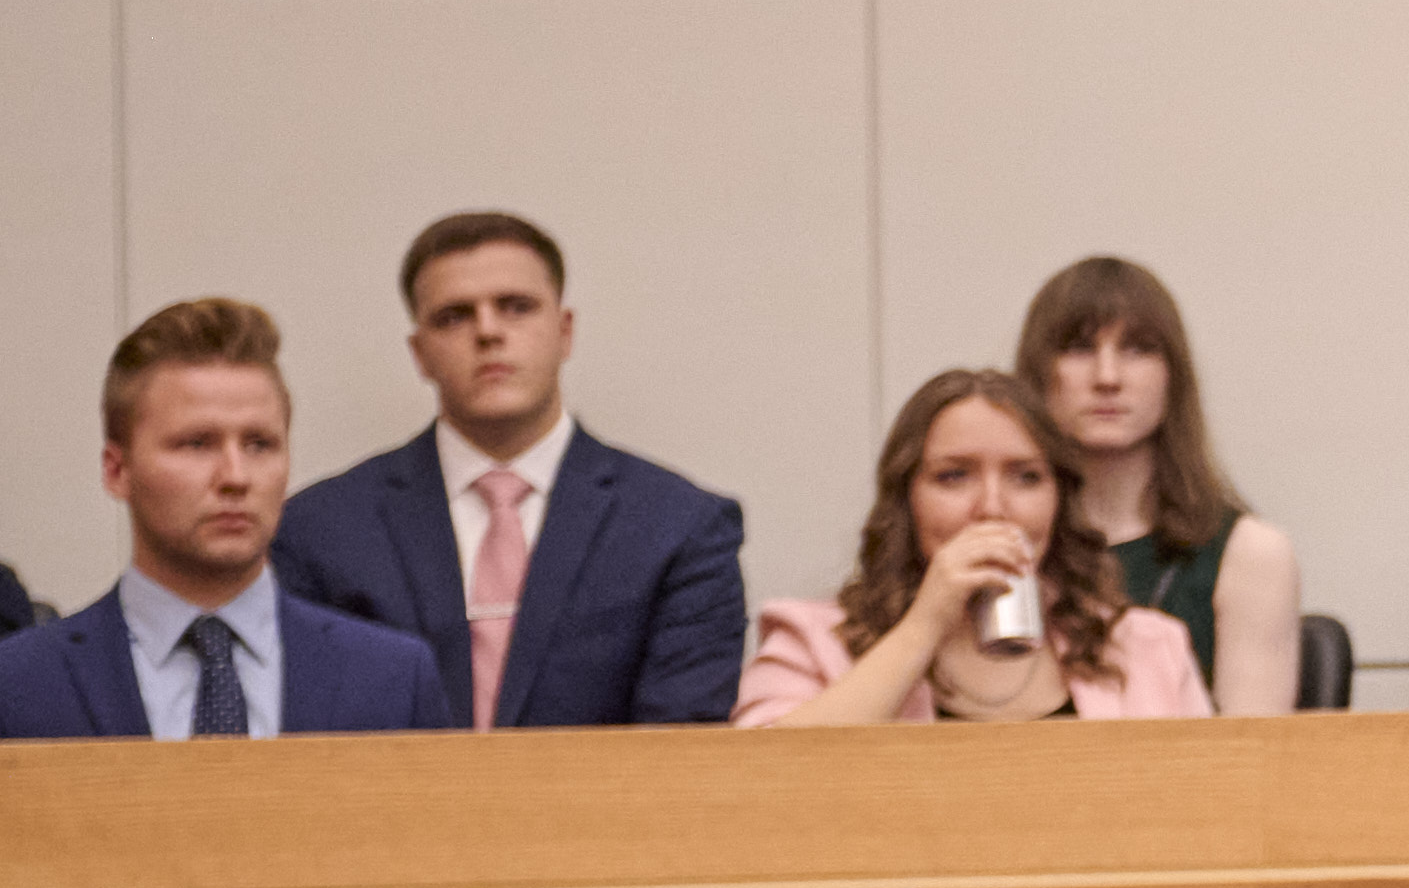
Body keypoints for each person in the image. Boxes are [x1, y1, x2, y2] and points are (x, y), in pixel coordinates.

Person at [274, 211, 746, 730]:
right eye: (454, 316)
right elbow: (304, 735)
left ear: (564, 332)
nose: (489, 331)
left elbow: (680, 748)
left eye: (516, 307)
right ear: (420, 353)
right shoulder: (319, 530)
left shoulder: (679, 526)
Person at [1, 302, 451, 737]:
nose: (236, 477)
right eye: (196, 444)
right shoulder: (21, 682)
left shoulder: (391, 678)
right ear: (117, 471)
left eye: (259, 444)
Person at [744, 370, 1216, 723]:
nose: (993, 507)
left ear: (1059, 499)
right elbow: (756, 784)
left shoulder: (1147, 647)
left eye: (1025, 477)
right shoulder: (811, 639)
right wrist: (923, 626)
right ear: (906, 499)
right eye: (955, 476)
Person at [1017, 255, 1302, 716]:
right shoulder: (1004, 544)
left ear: (1173, 376)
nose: (1107, 378)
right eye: (1079, 348)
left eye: (1137, 349)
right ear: (1037, 373)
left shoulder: (1251, 553)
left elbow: (1250, 764)